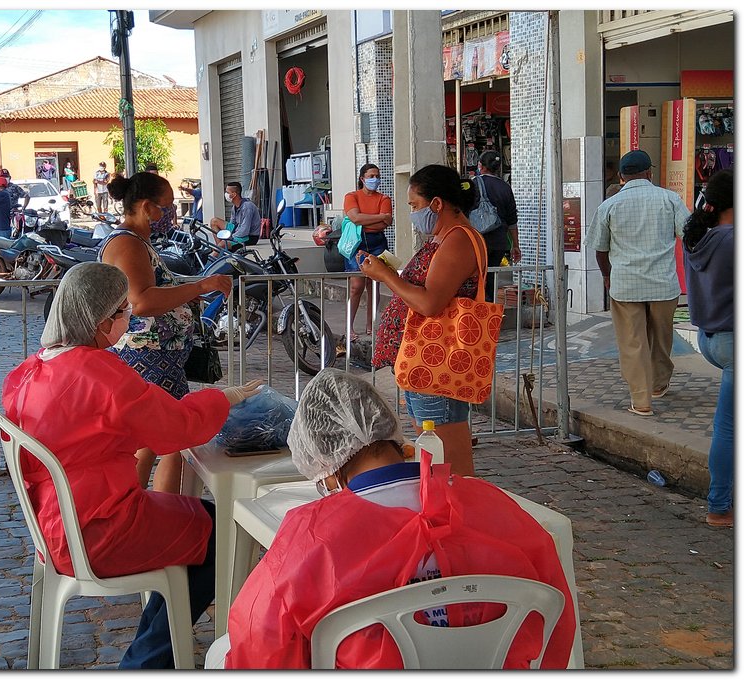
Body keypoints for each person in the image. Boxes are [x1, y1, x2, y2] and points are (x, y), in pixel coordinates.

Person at [224, 369, 575, 670]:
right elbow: (554, 621)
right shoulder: (491, 504)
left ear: (325, 467)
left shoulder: (311, 536)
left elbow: (259, 645)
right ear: (391, 432)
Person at [2, 261, 260, 668]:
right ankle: (147, 661)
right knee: (221, 532)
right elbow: (175, 429)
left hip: (56, 522)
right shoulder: (97, 371)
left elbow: (102, 430)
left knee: (201, 526)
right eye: (122, 310)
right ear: (100, 318)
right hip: (101, 527)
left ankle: (160, 643)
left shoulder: (32, 368)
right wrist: (223, 398)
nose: (128, 317)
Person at [100, 171, 233, 494]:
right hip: (148, 358)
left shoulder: (137, 242)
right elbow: (141, 301)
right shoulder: (128, 244)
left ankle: (144, 509)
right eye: (167, 207)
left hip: (160, 358)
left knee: (155, 441)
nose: (171, 215)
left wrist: (186, 293)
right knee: (170, 438)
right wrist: (198, 287)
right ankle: (150, 509)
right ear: (146, 207)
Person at [364, 164, 481, 476]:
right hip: (423, 361)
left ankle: (461, 515)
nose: (413, 213)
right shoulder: (444, 238)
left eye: (415, 205)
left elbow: (430, 302)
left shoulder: (458, 239)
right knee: (431, 452)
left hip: (438, 361)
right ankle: (442, 511)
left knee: (447, 460)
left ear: (437, 203)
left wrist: (386, 276)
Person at [584, 149, 691, 416]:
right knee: (662, 337)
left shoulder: (609, 205)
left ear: (621, 176)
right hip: (663, 285)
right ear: (649, 173)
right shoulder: (670, 199)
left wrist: (607, 276)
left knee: (633, 343)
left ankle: (641, 401)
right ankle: (659, 382)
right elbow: (689, 235)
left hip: (626, 285)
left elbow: (599, 250)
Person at [682, 169, 734, 528]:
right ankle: (718, 506)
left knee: (727, 426)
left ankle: (721, 505)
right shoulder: (732, 240)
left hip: (711, 339)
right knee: (728, 428)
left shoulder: (699, 238)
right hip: (733, 339)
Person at [343, 163, 393, 338]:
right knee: (356, 286)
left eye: (377, 176)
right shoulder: (351, 196)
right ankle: (349, 327)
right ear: (362, 178)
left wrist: (367, 220)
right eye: (371, 176)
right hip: (356, 243)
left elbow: (387, 223)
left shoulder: (384, 198)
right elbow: (355, 218)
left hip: (377, 241)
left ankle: (371, 326)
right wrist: (379, 217)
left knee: (374, 284)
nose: (375, 179)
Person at [473, 150, 521, 302]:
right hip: (499, 242)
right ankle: (489, 311)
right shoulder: (505, 187)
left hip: (477, 241)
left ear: (480, 166)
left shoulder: (473, 184)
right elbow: (512, 220)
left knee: (476, 277)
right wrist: (515, 245)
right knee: (492, 275)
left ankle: (477, 311)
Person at [208, 181, 261, 252]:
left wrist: (230, 238)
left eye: (227, 192)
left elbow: (245, 229)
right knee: (214, 221)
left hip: (248, 236)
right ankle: (222, 250)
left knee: (222, 245)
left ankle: (217, 254)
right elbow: (232, 223)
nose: (226, 194)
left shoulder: (247, 207)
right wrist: (226, 236)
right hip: (238, 230)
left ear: (234, 194)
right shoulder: (234, 207)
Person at [0, 169, 30, 233]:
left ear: (10, 178)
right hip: (2, 216)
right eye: (3, 177)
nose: (5, 179)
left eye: (6, 177)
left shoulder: (15, 187)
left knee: (16, 232)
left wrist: (23, 208)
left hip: (13, 215)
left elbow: (27, 196)